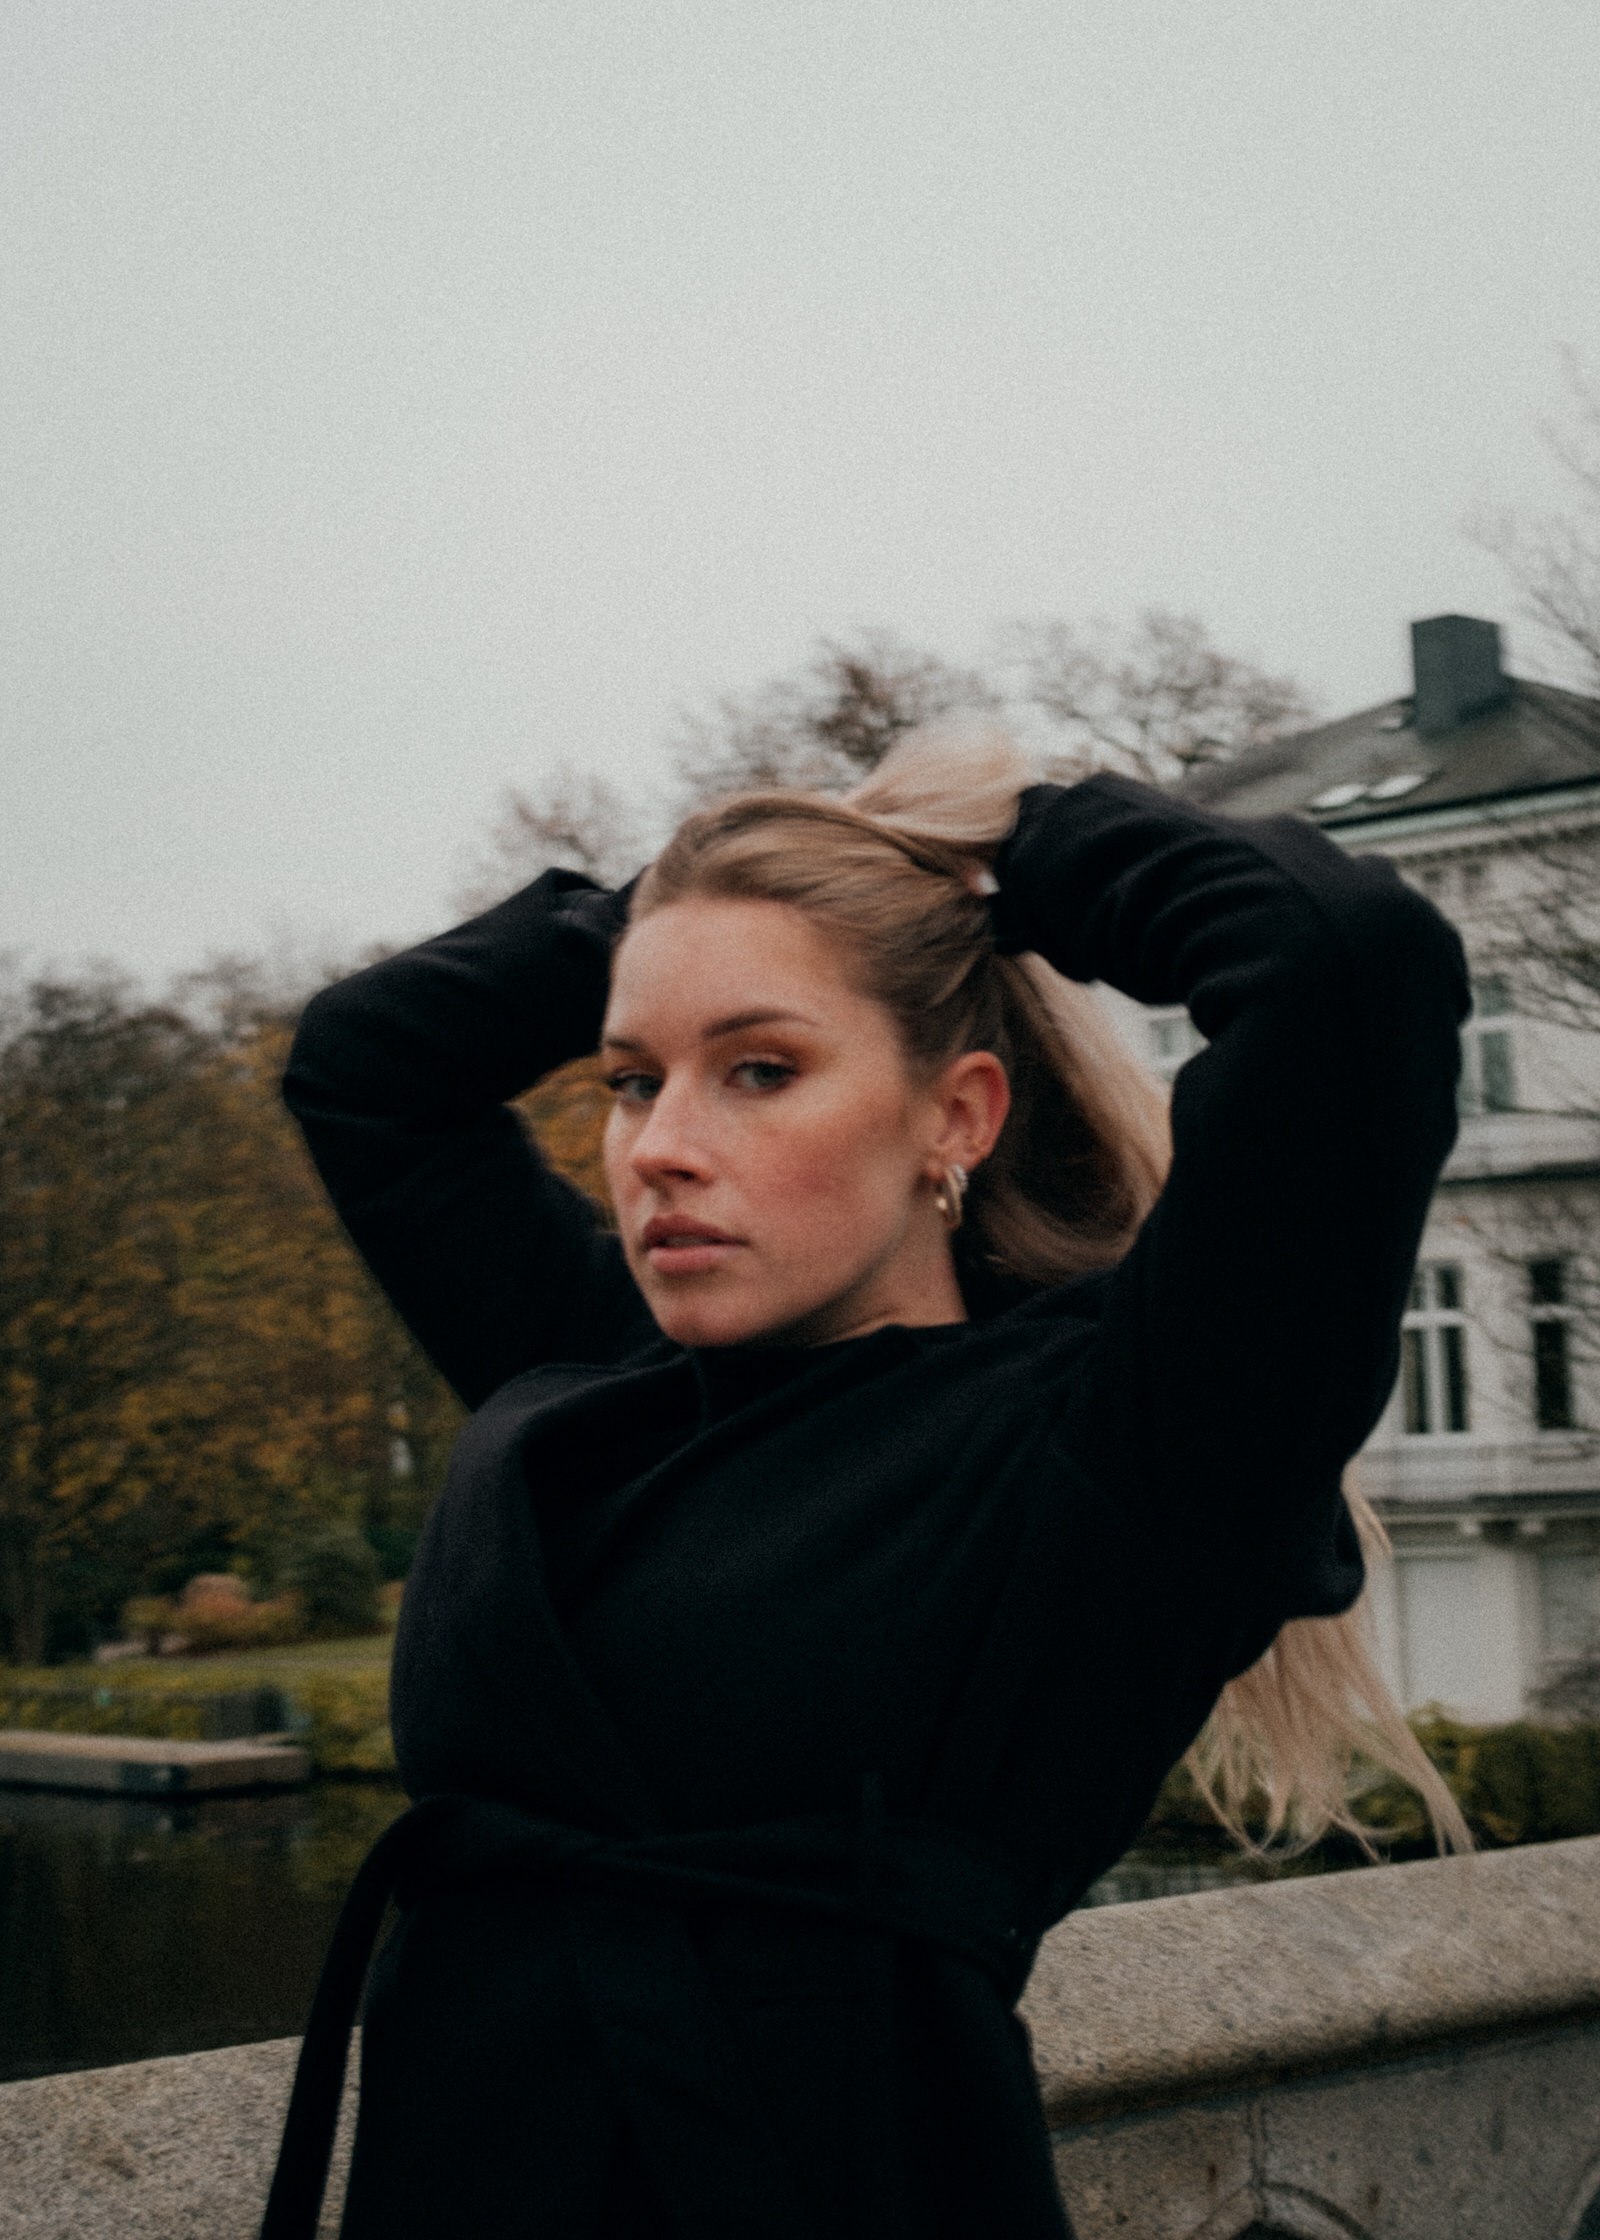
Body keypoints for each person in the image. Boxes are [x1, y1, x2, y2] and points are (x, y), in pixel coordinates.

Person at [262, 724, 1469, 2240]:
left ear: (955, 1117)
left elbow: (1346, 964)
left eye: (760, 1071)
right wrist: (677, 907)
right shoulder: (607, 1378)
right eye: (633, 1081)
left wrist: (1008, 843)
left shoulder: (1128, 1442)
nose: (658, 1148)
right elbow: (366, 1065)